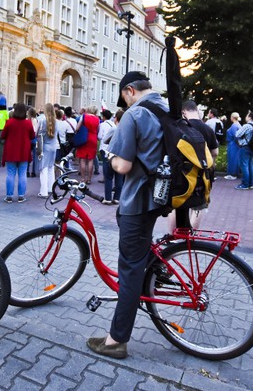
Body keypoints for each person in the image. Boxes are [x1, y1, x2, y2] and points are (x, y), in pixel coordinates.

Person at [87, 71, 164, 360]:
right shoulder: (167, 108)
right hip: (162, 196)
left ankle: (116, 340)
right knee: (141, 255)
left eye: (123, 97)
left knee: (130, 270)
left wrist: (110, 156)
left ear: (129, 90)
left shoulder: (135, 115)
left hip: (139, 199)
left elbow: (121, 166)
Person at [168, 100, 218, 230]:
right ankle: (190, 240)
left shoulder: (179, 127)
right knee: (198, 207)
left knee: (176, 206)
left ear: (183, 112)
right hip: (202, 176)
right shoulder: (207, 129)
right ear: (197, 111)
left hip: (182, 175)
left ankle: (173, 238)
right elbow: (215, 152)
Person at [1, 103, 35, 203]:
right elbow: (32, 136)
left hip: (11, 151)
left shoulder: (9, 122)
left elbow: (3, 135)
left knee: (10, 173)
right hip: (24, 150)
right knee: (22, 174)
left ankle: (9, 196)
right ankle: (21, 195)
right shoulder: (28, 123)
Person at [100, 109, 124, 205]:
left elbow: (105, 140)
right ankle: (117, 198)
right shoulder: (128, 130)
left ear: (116, 118)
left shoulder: (114, 129)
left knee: (108, 177)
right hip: (122, 156)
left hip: (111, 155)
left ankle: (108, 198)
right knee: (119, 178)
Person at [37, 103, 58, 198]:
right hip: (54, 146)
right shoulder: (56, 121)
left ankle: (43, 191)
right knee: (50, 168)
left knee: (43, 169)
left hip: (45, 146)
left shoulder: (42, 121)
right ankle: (50, 189)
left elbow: (38, 133)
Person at [75, 106, 100, 184]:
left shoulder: (84, 116)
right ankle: (89, 179)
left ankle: (82, 178)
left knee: (82, 159)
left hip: (84, 138)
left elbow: (77, 128)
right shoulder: (97, 119)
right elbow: (98, 130)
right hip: (93, 139)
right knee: (90, 160)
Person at [235, 111, 253, 190]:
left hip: (245, 147)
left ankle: (245, 184)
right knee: (250, 165)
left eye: (247, 115)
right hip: (252, 147)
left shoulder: (247, 126)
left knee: (244, 166)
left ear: (250, 117)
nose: (246, 117)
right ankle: (250, 183)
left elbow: (237, 134)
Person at [224, 113, 241, 180]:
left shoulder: (234, 125)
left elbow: (236, 136)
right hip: (236, 144)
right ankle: (235, 173)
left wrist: (238, 143)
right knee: (236, 158)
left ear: (232, 117)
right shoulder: (239, 124)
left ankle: (232, 174)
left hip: (233, 144)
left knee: (232, 158)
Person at [26, 107, 40, 178]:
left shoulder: (27, 120)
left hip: (28, 139)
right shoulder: (36, 120)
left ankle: (27, 171)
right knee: (35, 156)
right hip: (34, 138)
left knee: (27, 156)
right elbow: (36, 130)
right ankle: (33, 171)